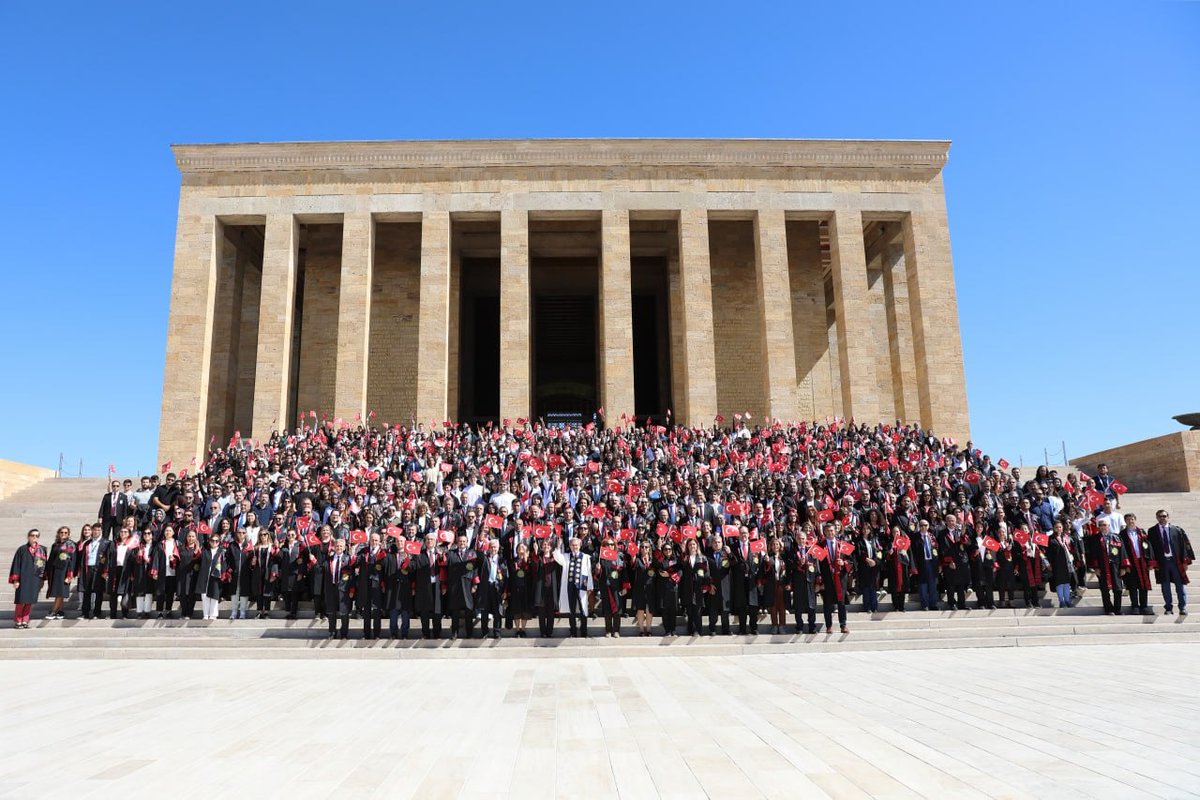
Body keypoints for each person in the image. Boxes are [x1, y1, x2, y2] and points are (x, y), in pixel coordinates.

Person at [1146, 510, 1191, 616]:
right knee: (1165, 586)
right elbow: (1150, 548)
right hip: (1162, 563)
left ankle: (1182, 607)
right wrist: (1153, 563)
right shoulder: (1152, 531)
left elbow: (1183, 546)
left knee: (1180, 585)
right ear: (1157, 517)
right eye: (1160, 516)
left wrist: (1185, 561)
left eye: (1164, 516)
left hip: (1176, 562)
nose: (1162, 518)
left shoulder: (1177, 530)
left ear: (1168, 517)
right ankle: (1168, 608)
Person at [554, 536, 592, 637]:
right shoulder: (566, 556)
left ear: (580, 546)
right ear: (570, 546)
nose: (574, 547)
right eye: (572, 545)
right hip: (569, 586)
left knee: (583, 609)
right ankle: (573, 631)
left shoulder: (586, 557)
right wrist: (558, 547)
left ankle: (584, 632)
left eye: (576, 545)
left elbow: (589, 572)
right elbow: (557, 558)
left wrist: (589, 586)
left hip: (582, 586)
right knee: (571, 610)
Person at [8, 529, 47, 628]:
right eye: (32, 535)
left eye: (36, 536)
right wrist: (16, 580)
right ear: (28, 536)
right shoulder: (22, 549)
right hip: (23, 579)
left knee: (29, 601)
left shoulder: (42, 549)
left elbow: (44, 566)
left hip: (35, 579)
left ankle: (25, 620)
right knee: (21, 601)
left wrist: (42, 579)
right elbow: (16, 564)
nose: (34, 537)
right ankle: (18, 621)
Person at [445, 532, 479, 640]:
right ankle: (454, 633)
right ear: (457, 542)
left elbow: (475, 570)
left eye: (464, 541)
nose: (462, 543)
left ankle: (469, 633)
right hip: (455, 585)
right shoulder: (451, 553)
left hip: (468, 584)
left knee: (469, 610)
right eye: (460, 541)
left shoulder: (472, 553)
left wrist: (475, 584)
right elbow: (445, 564)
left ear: (467, 542)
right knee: (455, 611)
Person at [817, 523, 849, 634]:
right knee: (827, 603)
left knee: (841, 603)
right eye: (827, 531)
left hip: (840, 578)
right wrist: (820, 579)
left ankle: (843, 625)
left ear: (835, 531)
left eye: (832, 530)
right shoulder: (820, 545)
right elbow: (818, 564)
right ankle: (829, 626)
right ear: (824, 532)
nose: (830, 533)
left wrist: (844, 563)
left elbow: (851, 561)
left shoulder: (842, 545)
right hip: (827, 578)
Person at [412, 532, 444, 640]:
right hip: (424, 586)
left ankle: (437, 633)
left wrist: (441, 557)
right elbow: (412, 567)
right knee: (424, 611)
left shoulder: (440, 554)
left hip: (437, 585)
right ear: (425, 542)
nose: (430, 541)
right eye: (428, 539)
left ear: (435, 542)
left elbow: (446, 565)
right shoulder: (419, 555)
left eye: (432, 539)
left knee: (437, 611)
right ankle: (425, 633)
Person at [1120, 514, 1153, 615]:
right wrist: (1125, 566)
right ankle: (1135, 606)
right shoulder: (1122, 534)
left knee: (1143, 585)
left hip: (1142, 562)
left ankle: (1144, 606)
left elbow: (1149, 547)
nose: (1131, 521)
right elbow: (1122, 550)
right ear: (1125, 521)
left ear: (1135, 520)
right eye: (1128, 520)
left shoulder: (1142, 532)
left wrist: (1150, 562)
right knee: (1132, 585)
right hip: (1131, 564)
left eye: (1132, 519)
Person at [356, 532, 386, 639]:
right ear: (369, 540)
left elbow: (385, 567)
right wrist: (353, 553)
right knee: (367, 610)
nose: (374, 542)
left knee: (377, 610)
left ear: (380, 541)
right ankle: (366, 633)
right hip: (365, 584)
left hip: (377, 585)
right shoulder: (364, 551)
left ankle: (377, 634)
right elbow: (356, 561)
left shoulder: (383, 552)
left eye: (376, 540)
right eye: (372, 540)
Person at [324, 538, 353, 639]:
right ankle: (332, 632)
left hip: (344, 589)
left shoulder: (349, 559)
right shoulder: (329, 559)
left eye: (341, 546)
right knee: (331, 612)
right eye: (337, 546)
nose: (339, 548)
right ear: (334, 547)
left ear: (344, 547)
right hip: (331, 588)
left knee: (344, 612)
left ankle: (344, 633)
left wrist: (352, 590)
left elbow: (352, 576)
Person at [45, 526, 76, 620]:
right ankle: (59, 610)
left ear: (68, 534)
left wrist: (70, 574)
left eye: (66, 533)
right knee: (59, 592)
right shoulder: (55, 545)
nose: (63, 534)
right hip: (55, 571)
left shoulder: (71, 545)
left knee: (60, 592)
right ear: (58, 533)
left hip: (64, 572)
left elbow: (72, 561)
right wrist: (46, 572)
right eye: (62, 532)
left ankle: (54, 611)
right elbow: (51, 559)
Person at [679, 537, 707, 636]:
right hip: (688, 587)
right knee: (690, 610)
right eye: (690, 545)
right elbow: (681, 566)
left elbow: (706, 573)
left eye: (694, 544)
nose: (692, 546)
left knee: (697, 610)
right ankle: (690, 629)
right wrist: (683, 553)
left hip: (698, 587)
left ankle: (697, 630)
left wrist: (706, 586)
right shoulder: (685, 557)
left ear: (697, 546)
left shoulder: (702, 557)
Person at [197, 531, 228, 620]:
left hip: (215, 576)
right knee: (204, 595)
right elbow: (198, 560)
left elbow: (224, 564)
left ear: (219, 542)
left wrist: (223, 574)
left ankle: (213, 614)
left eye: (216, 541)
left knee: (214, 595)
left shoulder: (222, 552)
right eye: (212, 540)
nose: (214, 542)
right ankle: (205, 614)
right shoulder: (205, 551)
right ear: (209, 541)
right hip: (204, 575)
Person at [532, 538, 559, 638]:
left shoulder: (555, 558)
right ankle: (542, 632)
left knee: (551, 612)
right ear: (541, 547)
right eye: (544, 545)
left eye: (548, 545)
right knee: (542, 612)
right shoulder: (539, 558)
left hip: (552, 589)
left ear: (551, 547)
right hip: (541, 588)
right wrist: (535, 552)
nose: (546, 546)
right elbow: (534, 567)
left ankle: (549, 632)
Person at [151, 524, 180, 618]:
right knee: (160, 593)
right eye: (166, 530)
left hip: (173, 572)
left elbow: (181, 557)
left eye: (170, 531)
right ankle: (159, 611)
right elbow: (155, 558)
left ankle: (168, 610)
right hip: (162, 572)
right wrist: (155, 571)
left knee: (170, 593)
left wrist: (175, 559)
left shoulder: (177, 543)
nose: (168, 532)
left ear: (173, 532)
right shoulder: (160, 544)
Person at [912, 520, 940, 611]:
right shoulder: (915, 537)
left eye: (925, 525)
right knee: (923, 586)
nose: (923, 527)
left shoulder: (932, 536)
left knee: (933, 585)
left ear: (928, 526)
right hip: (921, 564)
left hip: (932, 563)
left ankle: (933, 604)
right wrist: (914, 565)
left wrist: (939, 564)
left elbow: (936, 549)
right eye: (921, 525)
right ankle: (925, 605)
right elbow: (913, 552)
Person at [507, 541, 533, 638]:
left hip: (526, 588)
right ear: (516, 550)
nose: (521, 549)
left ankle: (523, 629)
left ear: (526, 550)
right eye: (519, 548)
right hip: (515, 587)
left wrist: (526, 560)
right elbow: (511, 573)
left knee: (525, 609)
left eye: (523, 547)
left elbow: (531, 572)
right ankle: (517, 629)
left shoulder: (529, 561)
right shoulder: (513, 561)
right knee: (516, 609)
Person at [763, 537, 789, 633]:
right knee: (773, 606)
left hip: (782, 584)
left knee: (782, 606)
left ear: (780, 546)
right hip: (771, 584)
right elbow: (764, 572)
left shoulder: (784, 557)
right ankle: (774, 625)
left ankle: (782, 626)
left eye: (777, 544)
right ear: (770, 546)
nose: (775, 546)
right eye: (773, 544)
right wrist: (766, 562)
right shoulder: (768, 557)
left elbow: (788, 571)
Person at [630, 540, 656, 636]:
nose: (644, 548)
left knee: (649, 609)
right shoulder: (637, 559)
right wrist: (633, 556)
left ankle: (649, 629)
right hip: (639, 588)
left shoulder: (653, 560)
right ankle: (641, 630)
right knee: (640, 609)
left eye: (646, 547)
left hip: (651, 588)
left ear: (649, 549)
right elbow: (632, 566)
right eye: (642, 547)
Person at [655, 541, 681, 636]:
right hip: (663, 589)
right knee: (665, 610)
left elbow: (680, 571)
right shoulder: (661, 560)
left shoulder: (676, 559)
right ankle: (667, 630)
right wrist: (658, 549)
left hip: (673, 588)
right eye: (665, 549)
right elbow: (658, 567)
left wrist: (671, 575)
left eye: (669, 549)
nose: (667, 551)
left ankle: (673, 629)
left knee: (673, 610)